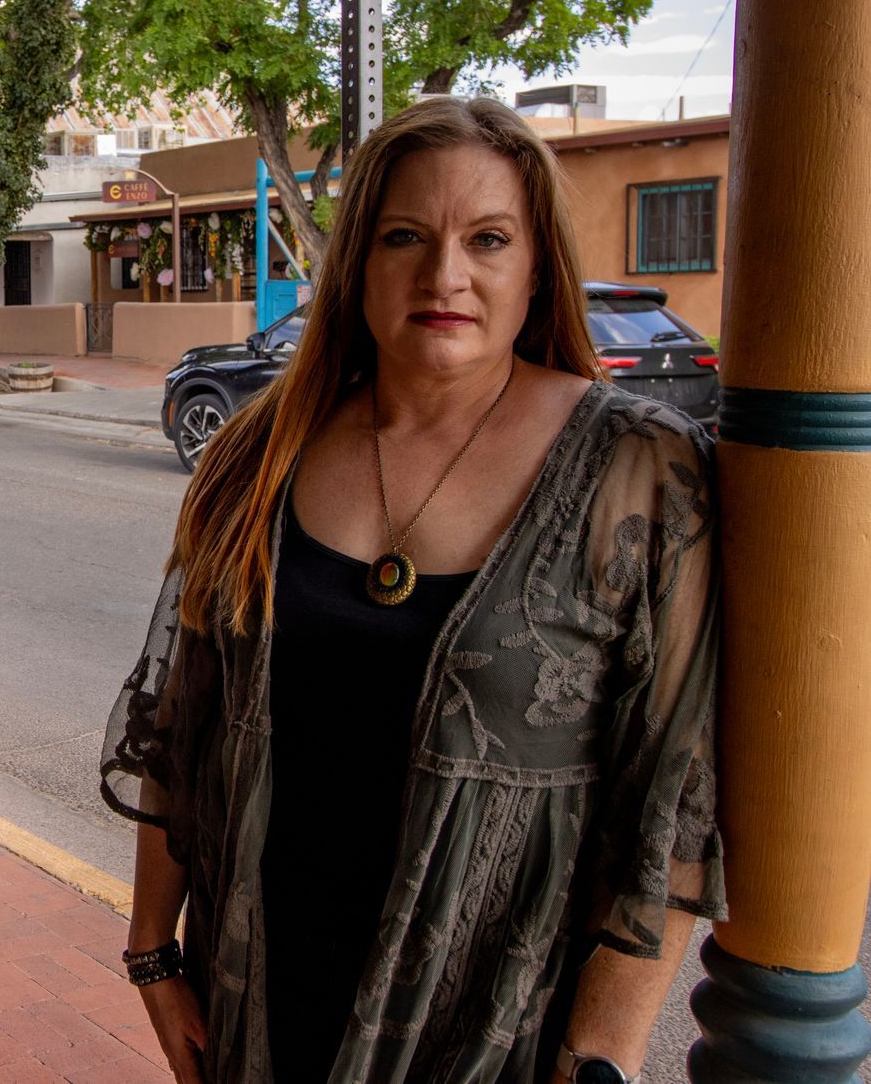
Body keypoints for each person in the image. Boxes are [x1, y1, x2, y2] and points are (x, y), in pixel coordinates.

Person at [100, 97, 722, 1083]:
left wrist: (601, 1047)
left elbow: (676, 795)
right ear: (358, 265)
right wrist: (152, 953)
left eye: (487, 239)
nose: (445, 275)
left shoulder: (639, 473)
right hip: (259, 1008)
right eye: (405, 237)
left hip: (498, 1037)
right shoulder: (257, 457)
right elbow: (183, 726)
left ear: (534, 267)